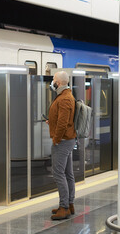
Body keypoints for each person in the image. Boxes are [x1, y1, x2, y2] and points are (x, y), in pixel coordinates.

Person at [47, 71, 76, 220]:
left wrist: (56, 139)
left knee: (58, 174)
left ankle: (64, 207)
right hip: (67, 139)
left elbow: (63, 123)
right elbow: (61, 118)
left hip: (63, 141)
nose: (52, 82)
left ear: (59, 82)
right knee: (68, 174)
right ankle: (69, 204)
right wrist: (51, 121)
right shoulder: (65, 96)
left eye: (54, 79)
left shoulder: (64, 98)